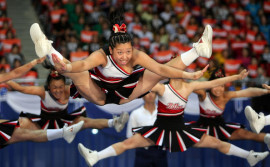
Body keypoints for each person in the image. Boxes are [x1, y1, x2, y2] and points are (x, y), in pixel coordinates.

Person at [77, 69, 269, 167]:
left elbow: (215, 82)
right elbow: (144, 84)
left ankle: (249, 156)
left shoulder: (189, 87)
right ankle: (96, 156)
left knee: (217, 143)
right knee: (128, 144)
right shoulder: (163, 87)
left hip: (181, 131)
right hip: (160, 130)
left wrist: (235, 77)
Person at [29, 10, 212, 106]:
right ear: (110, 49)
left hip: (127, 94)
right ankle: (47, 47)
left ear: (132, 48)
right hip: (99, 94)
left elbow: (162, 70)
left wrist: (188, 76)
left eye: (128, 52)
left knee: (156, 74)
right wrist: (67, 69)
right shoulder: (102, 55)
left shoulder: (137, 55)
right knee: (77, 73)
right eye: (119, 53)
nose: (125, 57)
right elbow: (83, 64)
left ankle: (198, 49)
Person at [0, 57, 84, 148]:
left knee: (23, 132)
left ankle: (63, 133)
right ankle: (62, 133)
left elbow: (15, 73)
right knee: (23, 133)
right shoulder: (44, 91)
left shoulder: (66, 89)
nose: (58, 90)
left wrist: (34, 62)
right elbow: (16, 78)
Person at [6, 70, 129, 132]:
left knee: (84, 121)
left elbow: (90, 89)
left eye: (60, 87)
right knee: (22, 123)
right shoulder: (42, 92)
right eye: (54, 87)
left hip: (64, 121)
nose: (58, 91)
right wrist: (5, 79)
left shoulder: (68, 90)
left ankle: (115, 122)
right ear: (49, 86)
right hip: (43, 122)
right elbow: (20, 88)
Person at [186, 67, 270, 148]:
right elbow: (186, 86)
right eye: (215, 85)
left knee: (246, 134)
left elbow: (248, 92)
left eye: (222, 86)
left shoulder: (225, 96)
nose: (218, 89)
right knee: (184, 136)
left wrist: (265, 91)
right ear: (210, 85)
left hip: (220, 126)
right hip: (202, 126)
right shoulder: (203, 94)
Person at [126, 92, 168, 167]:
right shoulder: (136, 113)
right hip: (142, 152)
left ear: (156, 95)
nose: (150, 95)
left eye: (153, 92)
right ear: (142, 96)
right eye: (148, 93)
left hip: (160, 151)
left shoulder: (164, 113)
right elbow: (130, 135)